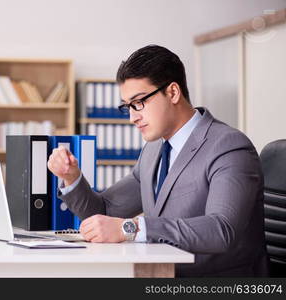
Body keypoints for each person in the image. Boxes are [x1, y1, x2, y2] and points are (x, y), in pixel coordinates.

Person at [47, 45, 267, 277]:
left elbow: (222, 229)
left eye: (139, 102)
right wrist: (71, 178)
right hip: (160, 274)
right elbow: (105, 210)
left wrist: (130, 228)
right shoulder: (154, 149)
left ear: (172, 93)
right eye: (127, 107)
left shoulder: (228, 145)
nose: (132, 117)